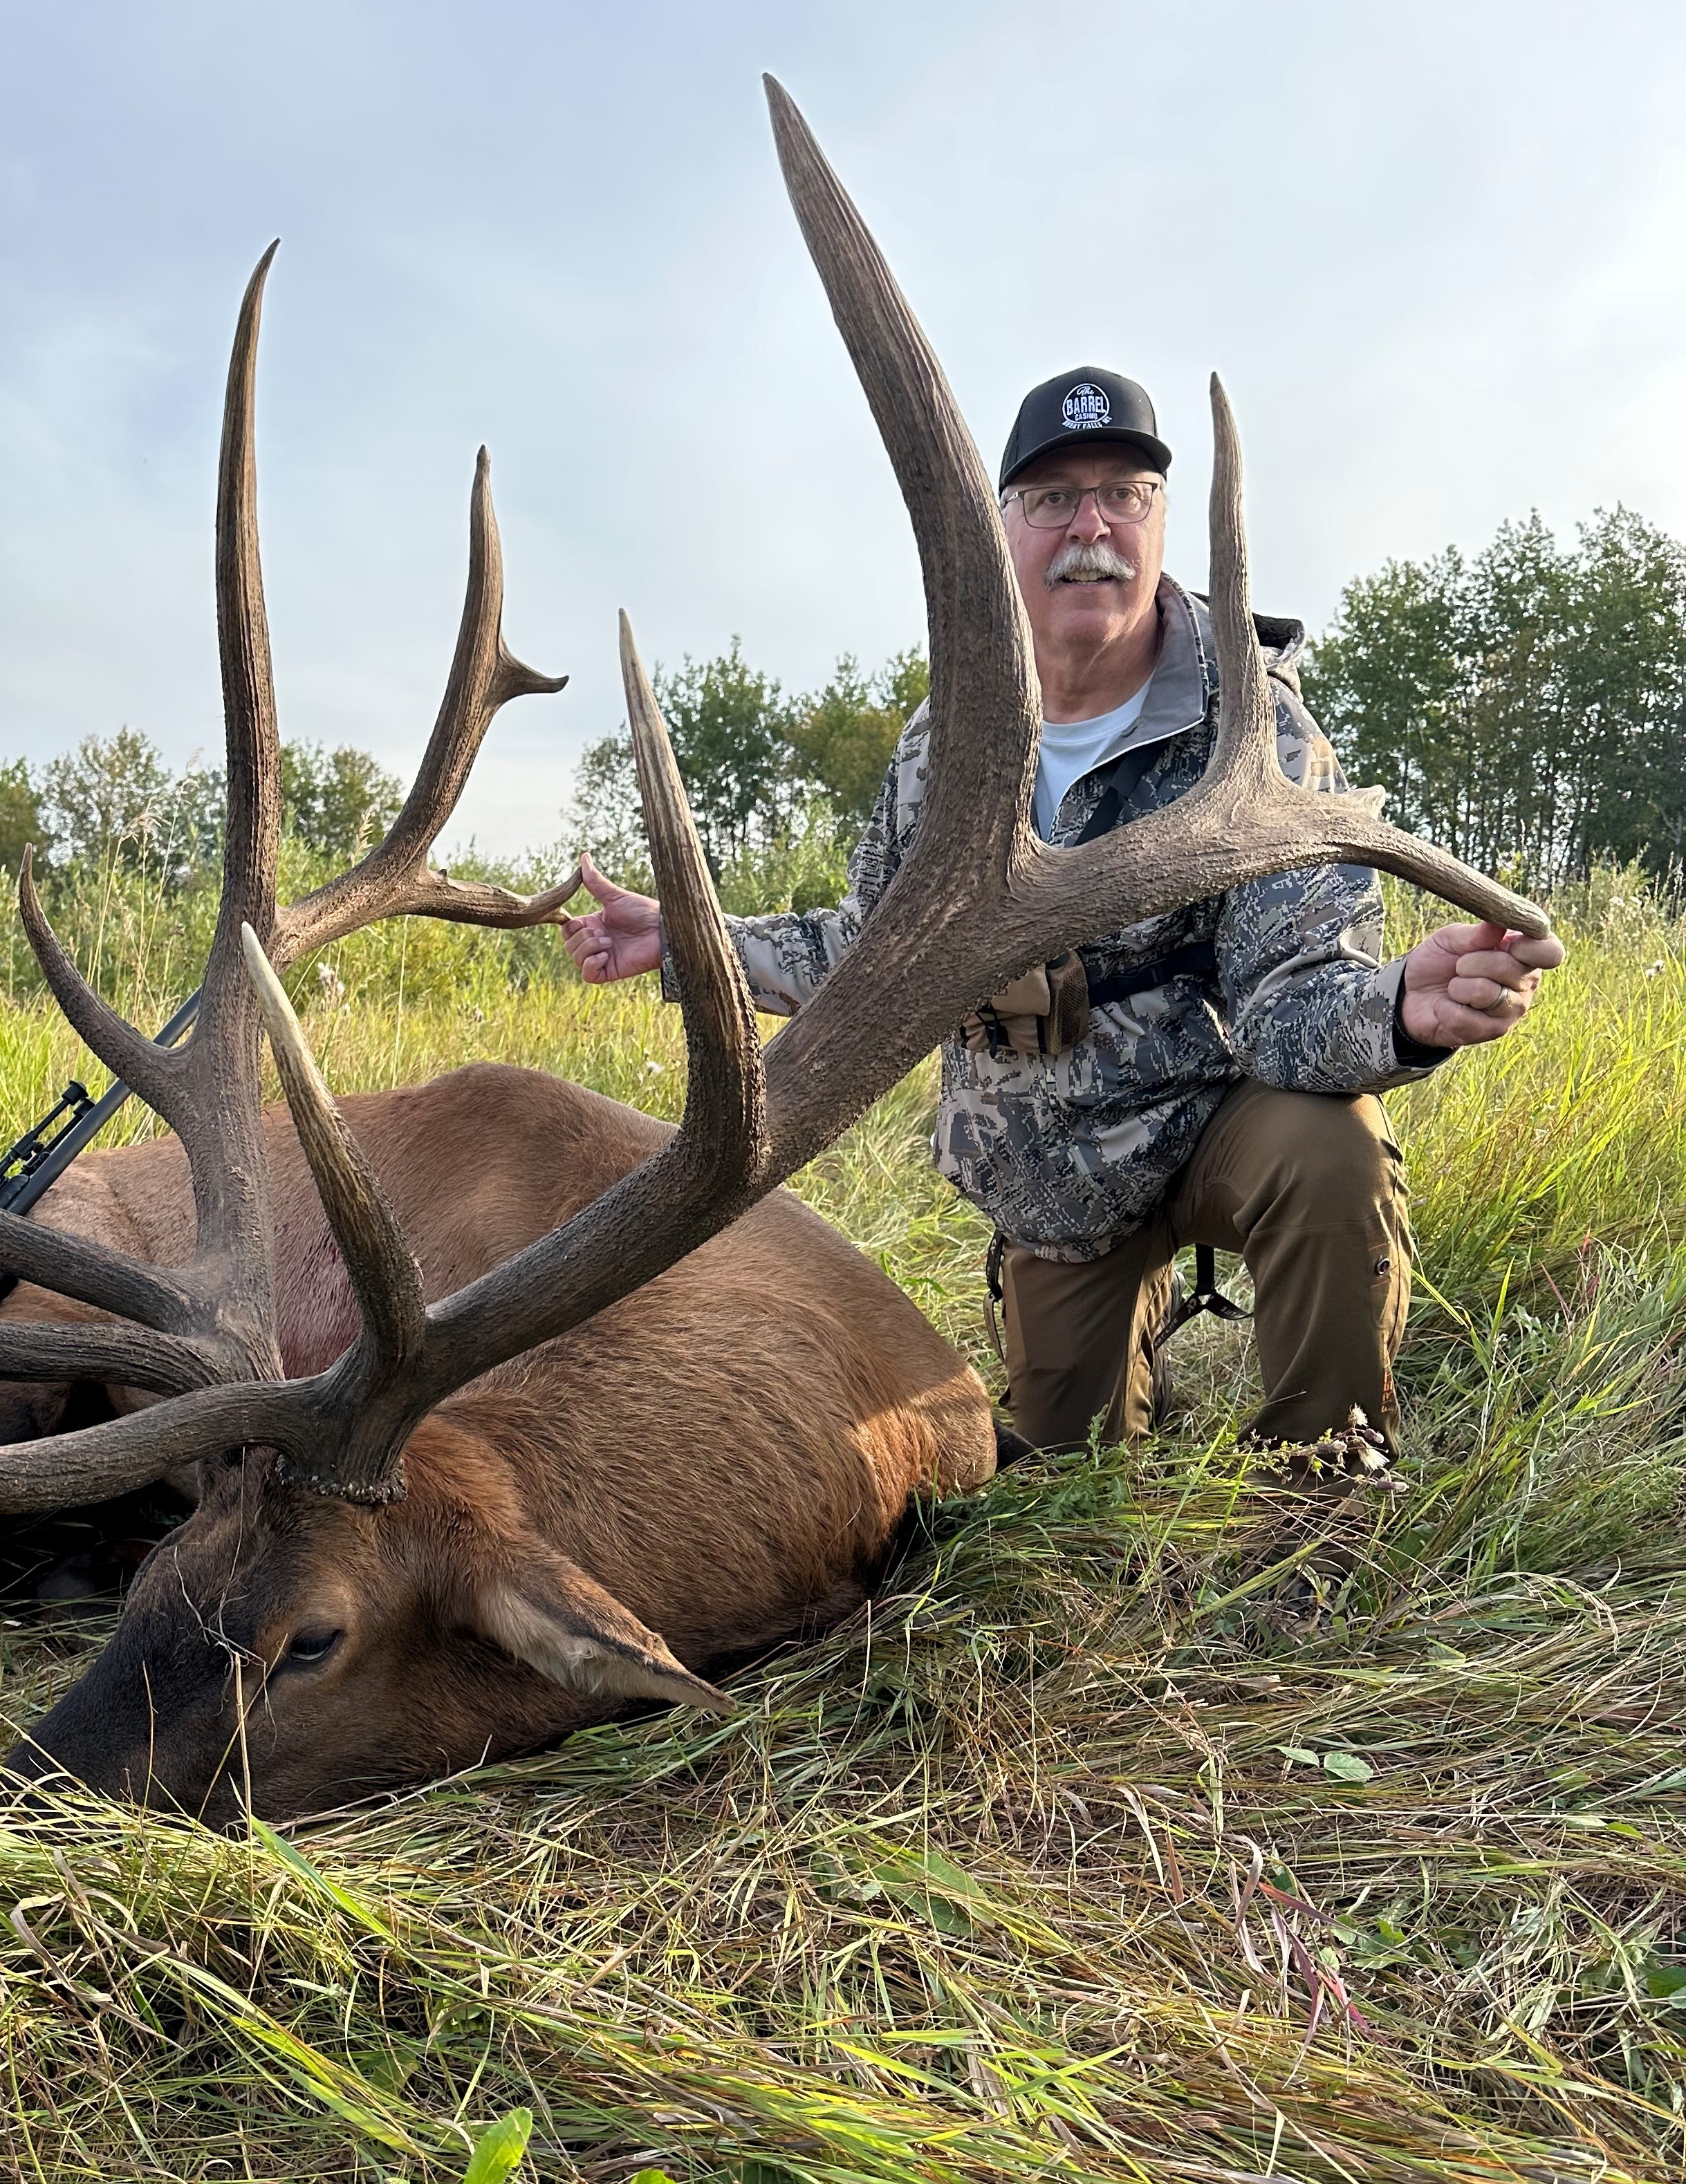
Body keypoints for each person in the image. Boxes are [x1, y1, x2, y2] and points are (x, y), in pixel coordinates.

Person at [562, 366, 1564, 1466]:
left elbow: (1294, 1005)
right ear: (1005, 533)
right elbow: (872, 953)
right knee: (1059, 1478)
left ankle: (1320, 1487)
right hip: (1053, 1175)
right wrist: (690, 939)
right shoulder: (942, 744)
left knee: (1333, 1152)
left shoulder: (1255, 731)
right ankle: (1120, 1371)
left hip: (1217, 1123)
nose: (1091, 525)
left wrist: (1396, 1011)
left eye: (1125, 492)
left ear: (1161, 521)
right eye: (1053, 499)